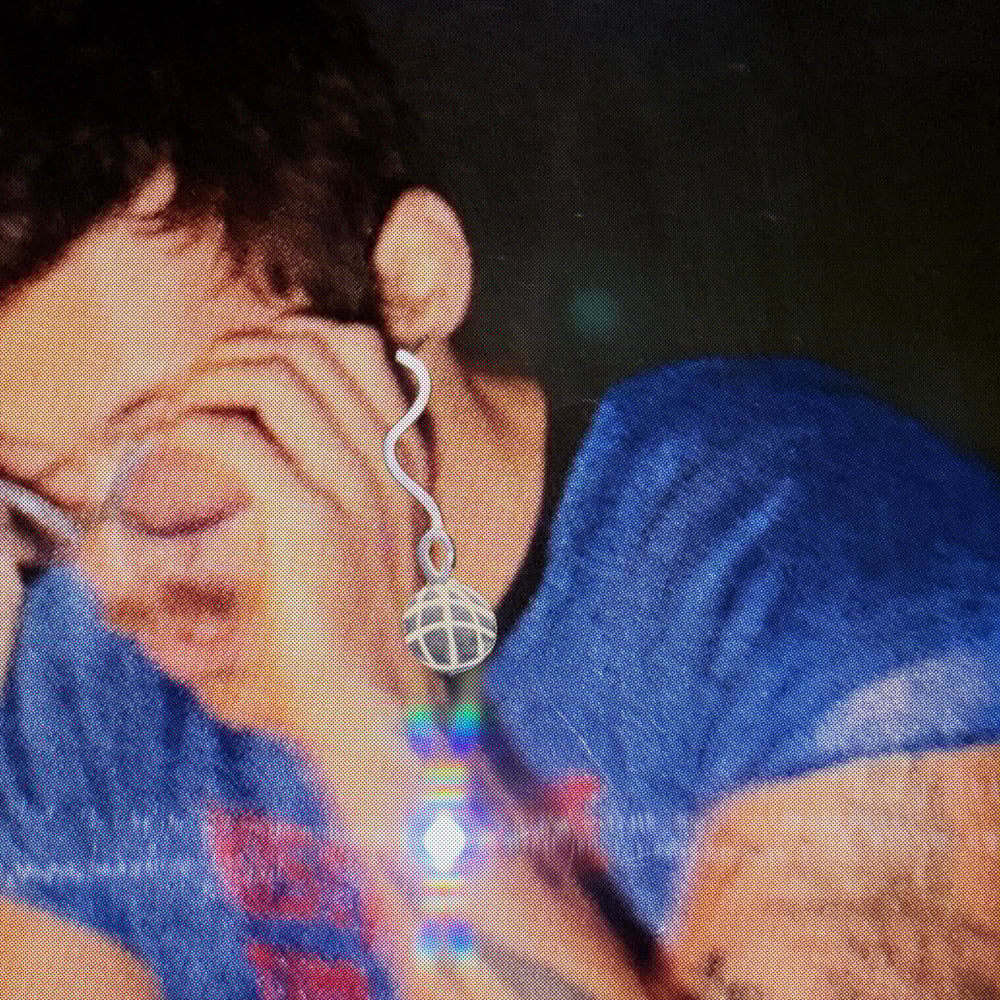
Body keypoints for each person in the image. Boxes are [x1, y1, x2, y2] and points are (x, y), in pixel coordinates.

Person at [0, 3, 997, 1000]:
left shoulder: (814, 553)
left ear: (409, 285)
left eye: (170, 471)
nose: (113, 583)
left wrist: (366, 713)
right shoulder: (84, 670)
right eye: (42, 503)